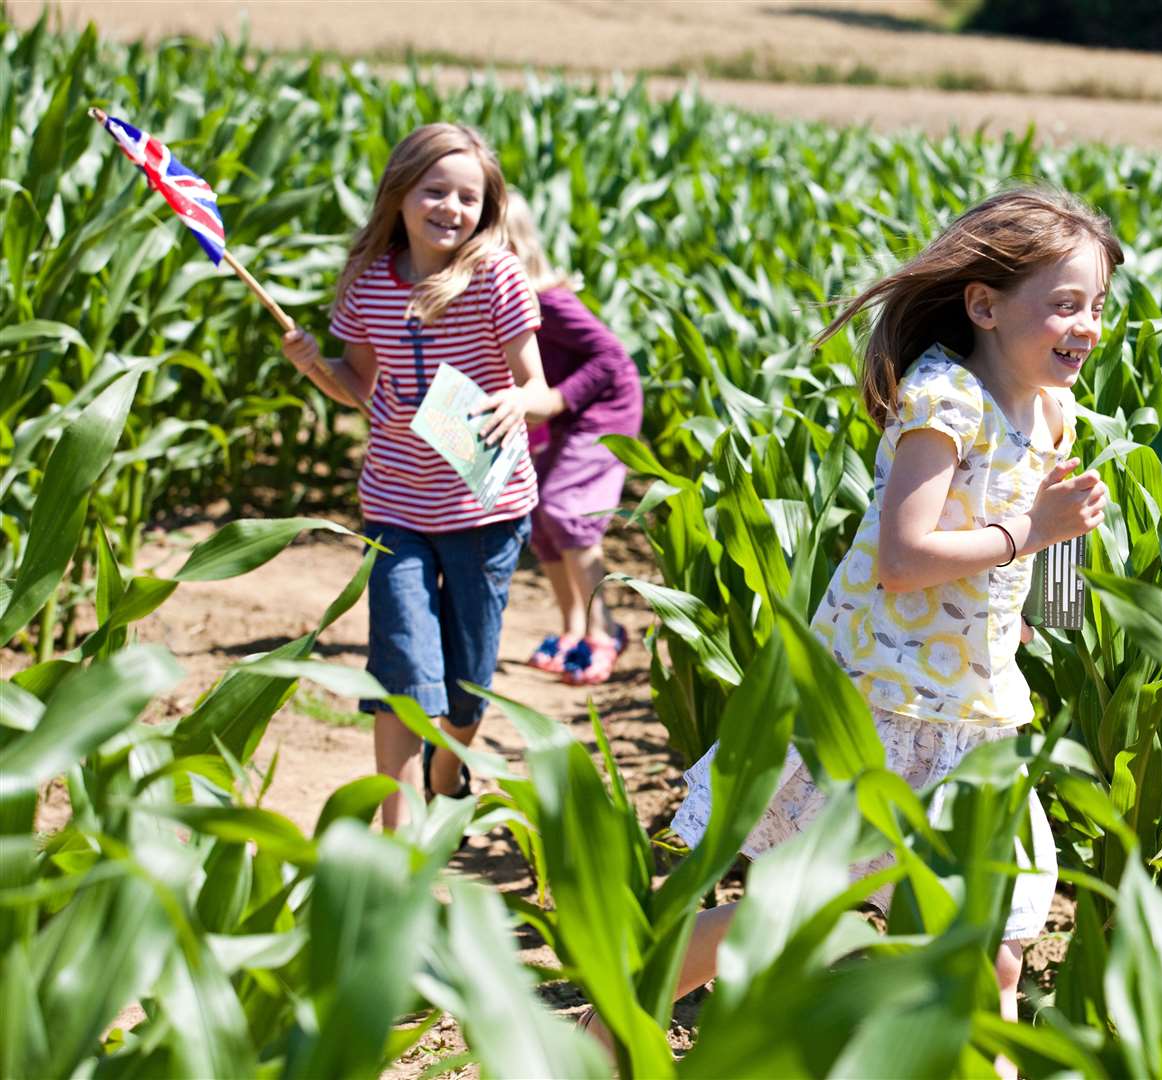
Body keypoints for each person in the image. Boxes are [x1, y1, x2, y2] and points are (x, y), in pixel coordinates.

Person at [593, 188, 1119, 1070]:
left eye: (1097, 305)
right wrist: (1036, 530)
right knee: (790, 913)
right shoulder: (943, 400)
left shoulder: (1051, 409)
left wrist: (1029, 605)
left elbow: (1021, 536)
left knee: (995, 942)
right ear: (983, 305)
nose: (1087, 325)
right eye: (1064, 303)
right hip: (881, 707)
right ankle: (602, 1028)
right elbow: (903, 557)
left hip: (976, 709)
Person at [280, 123, 563, 829]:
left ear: (486, 207)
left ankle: (449, 763)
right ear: (399, 195)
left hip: (484, 507)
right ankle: (396, 845)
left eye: (468, 196)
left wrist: (513, 400)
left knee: (467, 683)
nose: (450, 208)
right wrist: (315, 363)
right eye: (434, 190)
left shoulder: (495, 276)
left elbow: (541, 388)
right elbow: (358, 386)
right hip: (396, 507)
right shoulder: (368, 285)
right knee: (401, 674)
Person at [501, 193, 643, 686]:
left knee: (566, 509)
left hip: (604, 410)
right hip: (562, 412)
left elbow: (611, 357)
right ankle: (572, 628)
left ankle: (604, 631)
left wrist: (558, 401)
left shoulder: (547, 299)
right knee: (539, 516)